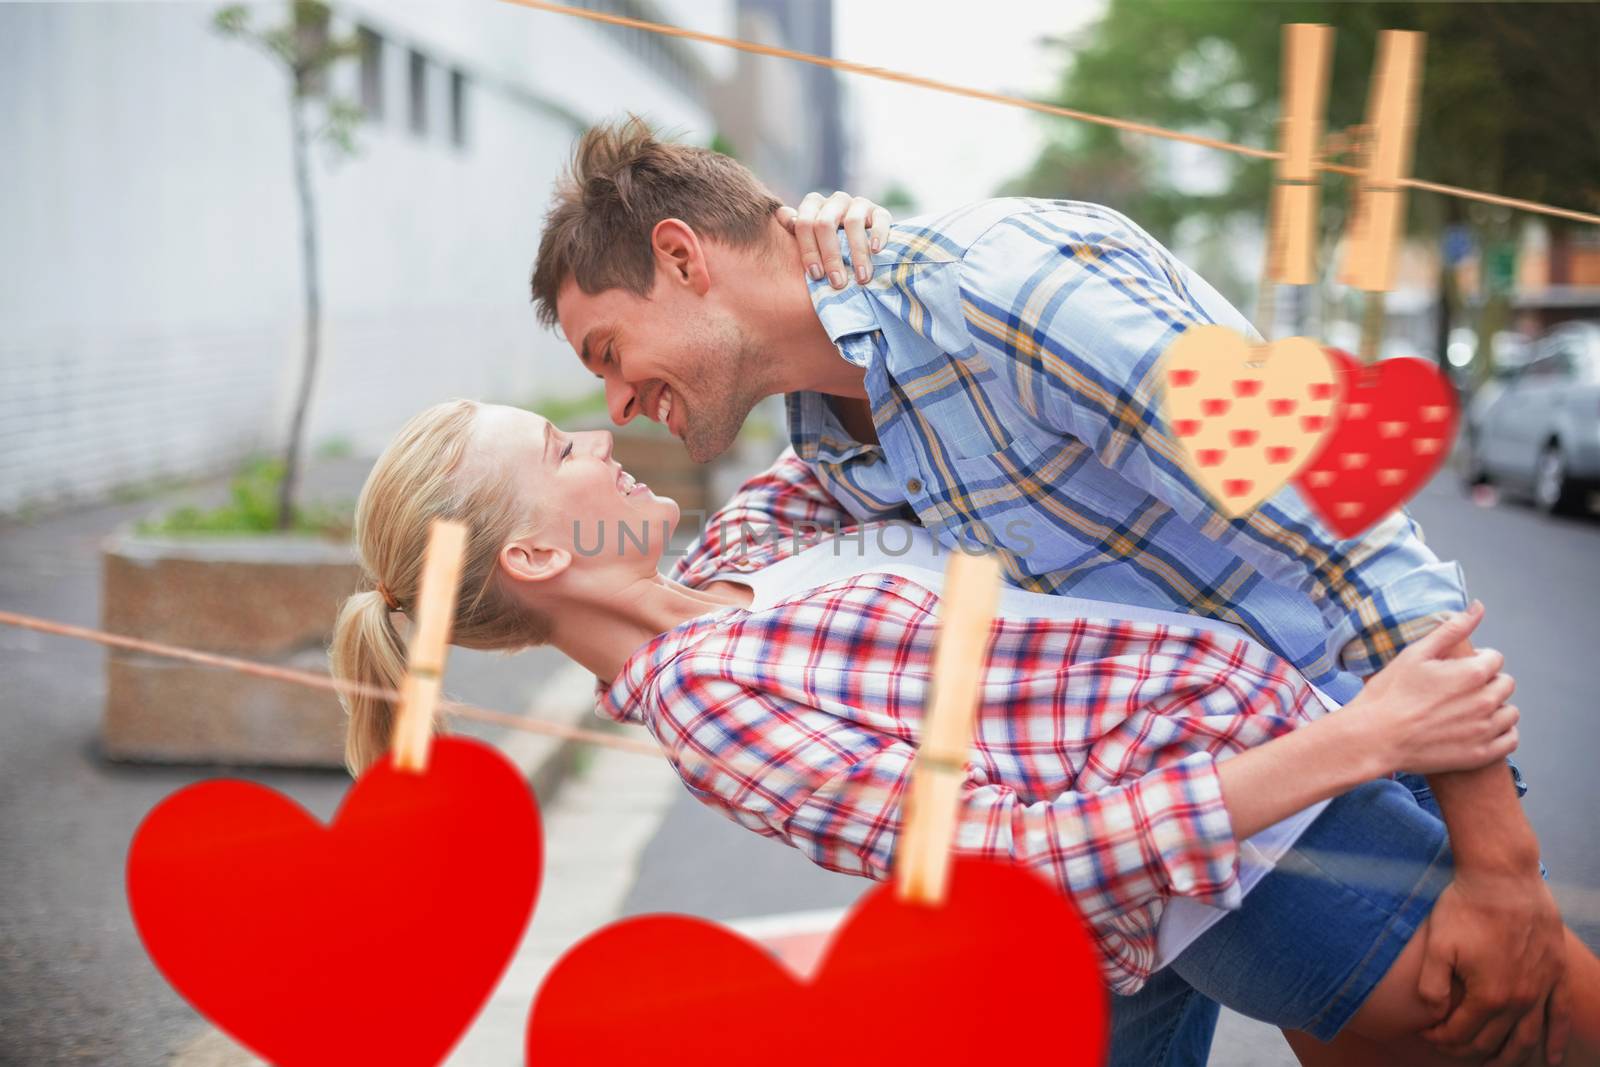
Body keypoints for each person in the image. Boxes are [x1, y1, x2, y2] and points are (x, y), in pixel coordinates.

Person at [528, 118, 1568, 1063]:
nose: (614, 402)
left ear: (679, 255)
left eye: (610, 351)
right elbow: (701, 593)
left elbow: (1341, 526)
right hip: (1190, 844)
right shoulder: (827, 444)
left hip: (1358, 765)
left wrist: (1501, 861)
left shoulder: (999, 287)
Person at [328, 399, 1599, 1065]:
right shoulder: (709, 705)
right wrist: (1367, 738)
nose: (603, 435)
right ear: (543, 550)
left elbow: (852, 412)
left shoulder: (738, 556)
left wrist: (847, 248)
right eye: (562, 448)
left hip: (1280, 831)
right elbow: (1010, 854)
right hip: (1281, 860)